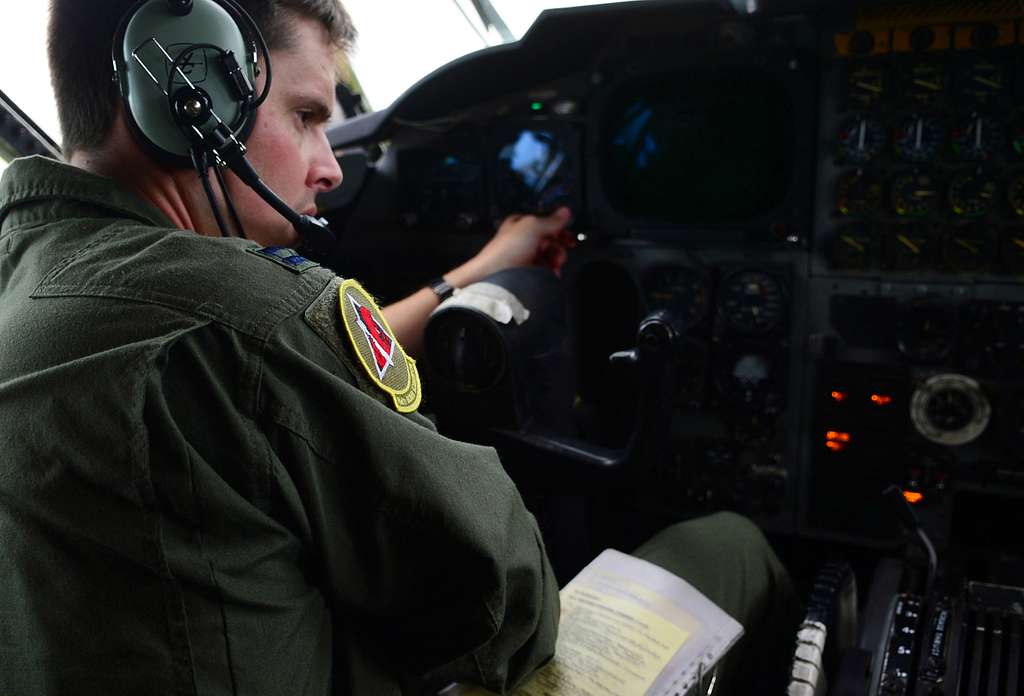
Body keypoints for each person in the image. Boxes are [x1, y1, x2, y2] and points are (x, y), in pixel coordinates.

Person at [0, 1, 798, 694]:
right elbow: (511, 606)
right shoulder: (246, 318)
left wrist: (476, 274)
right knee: (731, 544)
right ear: (191, 98)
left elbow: (273, 364)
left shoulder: (38, 281)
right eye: (308, 116)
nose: (329, 169)